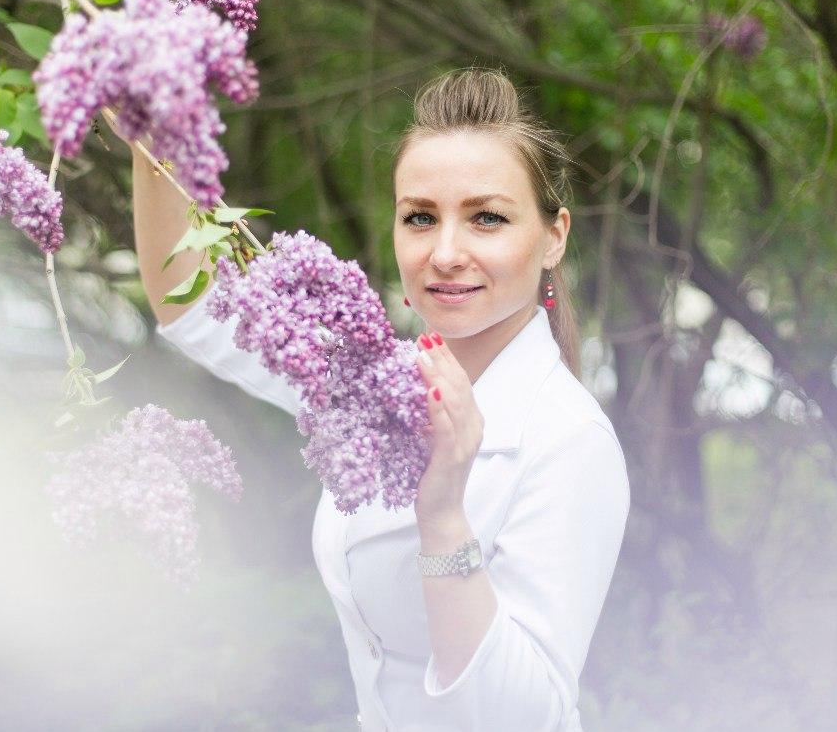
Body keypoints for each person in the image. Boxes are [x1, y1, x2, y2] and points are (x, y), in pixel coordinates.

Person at [134, 67, 630, 731]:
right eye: (420, 217)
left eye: (486, 218)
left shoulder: (568, 440)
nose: (445, 252)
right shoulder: (372, 379)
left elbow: (521, 714)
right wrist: (153, 123)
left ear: (554, 236)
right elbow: (192, 304)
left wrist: (444, 515)